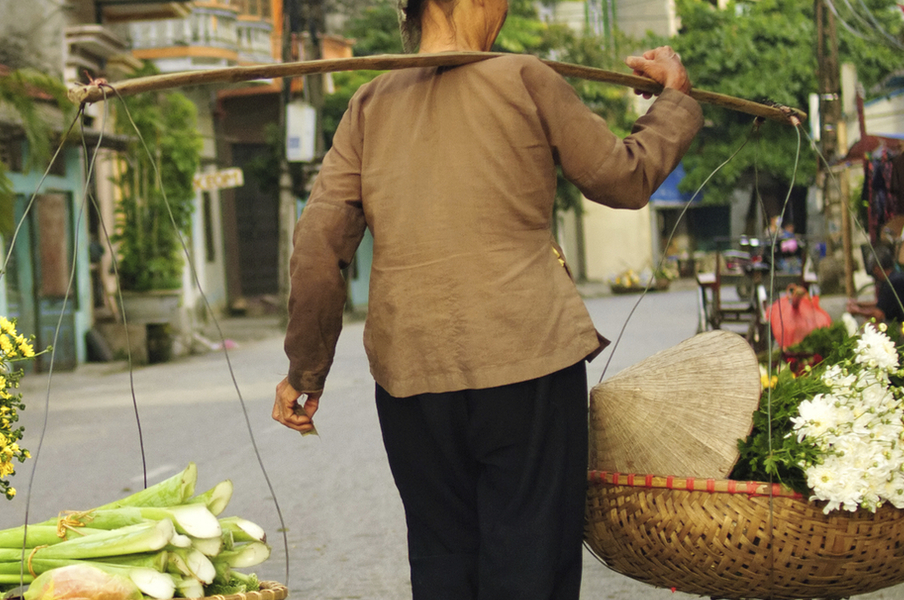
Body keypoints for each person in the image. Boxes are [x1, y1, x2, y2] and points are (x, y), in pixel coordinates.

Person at [269, 0, 702, 597]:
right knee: (529, 559)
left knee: (443, 561)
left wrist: (305, 369)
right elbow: (624, 176)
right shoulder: (525, 78)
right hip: (526, 360)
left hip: (411, 378)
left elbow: (319, 245)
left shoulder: (369, 105)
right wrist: (674, 100)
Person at [846, 246, 904, 326]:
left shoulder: (893, 283)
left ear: (877, 269)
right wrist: (859, 304)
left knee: (872, 325)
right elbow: (881, 303)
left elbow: (879, 315)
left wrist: (858, 312)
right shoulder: (894, 277)